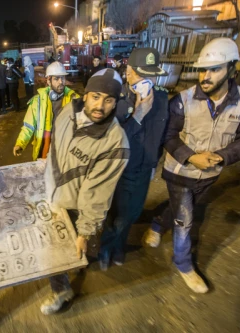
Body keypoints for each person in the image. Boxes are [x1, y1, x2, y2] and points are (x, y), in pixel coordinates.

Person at [142, 38, 240, 293]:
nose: (205, 76)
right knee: (185, 219)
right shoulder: (182, 100)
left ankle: (156, 223)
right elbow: (168, 135)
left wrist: (223, 156)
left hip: (210, 174)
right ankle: (183, 263)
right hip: (179, 172)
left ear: (232, 69)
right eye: (202, 70)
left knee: (181, 210)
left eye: (214, 69)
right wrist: (189, 156)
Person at [40, 69, 130, 314]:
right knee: (56, 248)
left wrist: (85, 230)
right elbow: (57, 149)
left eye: (109, 100)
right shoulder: (68, 112)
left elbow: (97, 193)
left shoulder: (115, 142)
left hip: (74, 207)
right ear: (86, 94)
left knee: (64, 250)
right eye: (96, 96)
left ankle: (62, 290)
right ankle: (72, 268)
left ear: (116, 103)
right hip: (51, 196)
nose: (101, 105)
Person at [98, 48, 169, 270]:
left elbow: (164, 134)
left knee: (132, 213)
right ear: (129, 72)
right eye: (141, 75)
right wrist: (137, 115)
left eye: (152, 75)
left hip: (145, 170)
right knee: (113, 213)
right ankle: (106, 248)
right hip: (120, 170)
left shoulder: (163, 99)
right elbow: (111, 141)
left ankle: (117, 245)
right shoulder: (117, 102)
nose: (148, 81)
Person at [13, 62, 78, 160]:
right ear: (48, 81)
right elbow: (28, 127)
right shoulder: (37, 101)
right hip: (45, 148)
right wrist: (20, 144)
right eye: (56, 78)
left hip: (66, 150)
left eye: (63, 78)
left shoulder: (75, 100)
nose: (61, 82)